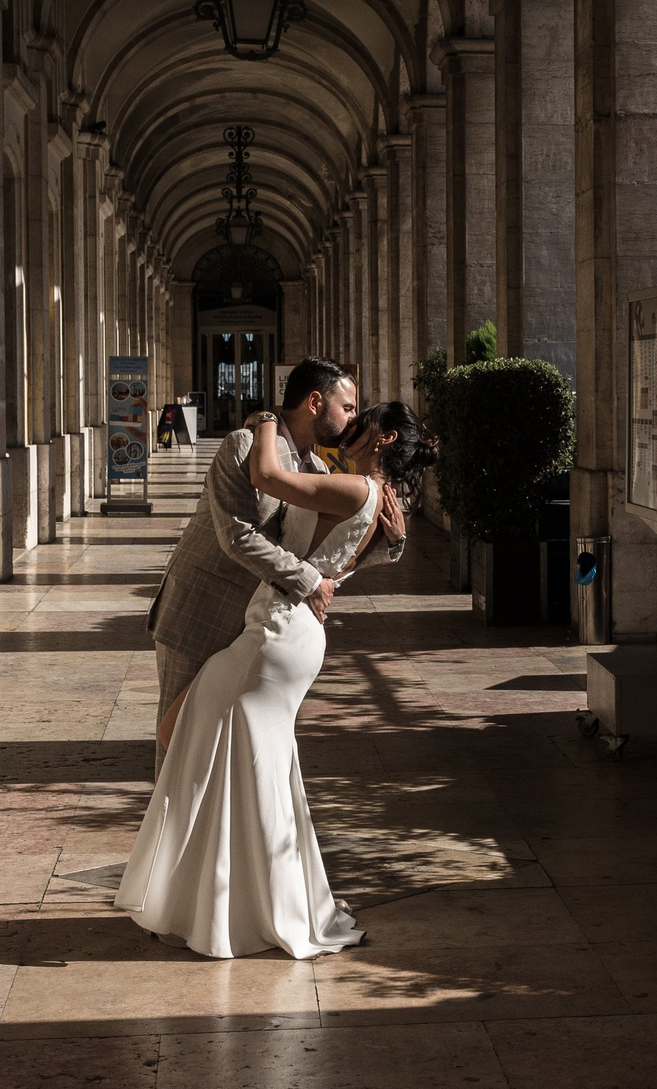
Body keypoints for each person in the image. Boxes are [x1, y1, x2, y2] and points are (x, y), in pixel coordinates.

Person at [117, 401, 439, 957]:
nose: (350, 425)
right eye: (347, 409)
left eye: (361, 420)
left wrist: (263, 416)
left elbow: (268, 476)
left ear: (382, 439)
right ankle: (240, 898)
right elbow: (376, 544)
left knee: (185, 732)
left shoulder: (357, 489)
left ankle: (224, 901)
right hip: (285, 630)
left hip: (275, 634)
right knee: (247, 760)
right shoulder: (374, 497)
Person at [146, 359, 408, 752]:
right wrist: (308, 583)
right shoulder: (244, 444)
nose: (354, 419)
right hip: (204, 615)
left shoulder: (317, 467)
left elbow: (325, 552)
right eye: (349, 407)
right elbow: (236, 536)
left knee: (237, 751)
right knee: (181, 747)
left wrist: (389, 543)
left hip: (261, 627)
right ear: (316, 402)